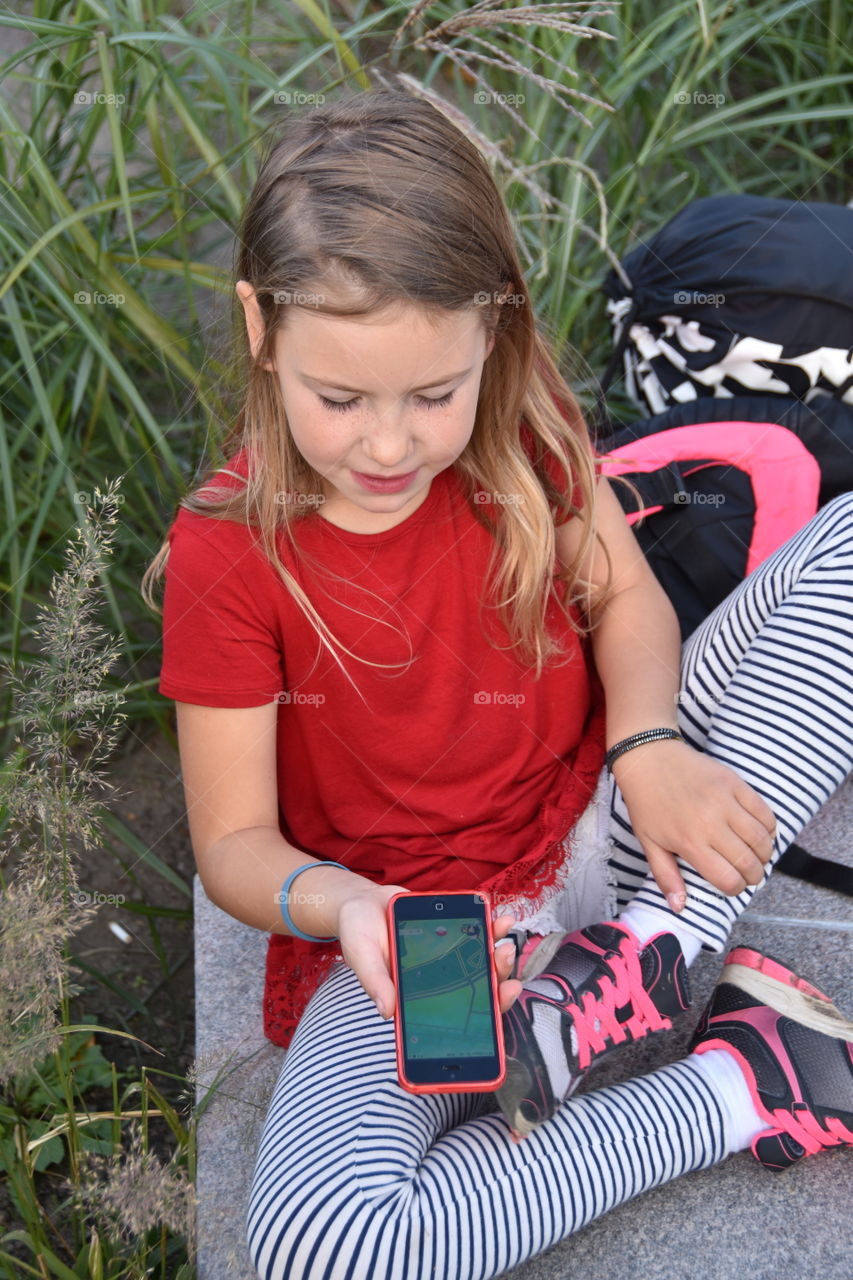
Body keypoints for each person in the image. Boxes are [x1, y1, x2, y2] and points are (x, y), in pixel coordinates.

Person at [145, 89, 853, 1280]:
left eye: (433, 393)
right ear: (260, 327)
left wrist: (650, 745)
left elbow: (627, 598)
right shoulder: (227, 551)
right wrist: (348, 907)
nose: (387, 445)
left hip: (608, 830)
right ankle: (747, 1080)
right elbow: (235, 845)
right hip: (416, 935)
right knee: (326, 1253)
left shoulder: (519, 433)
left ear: (495, 337)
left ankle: (646, 956)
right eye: (341, 398)